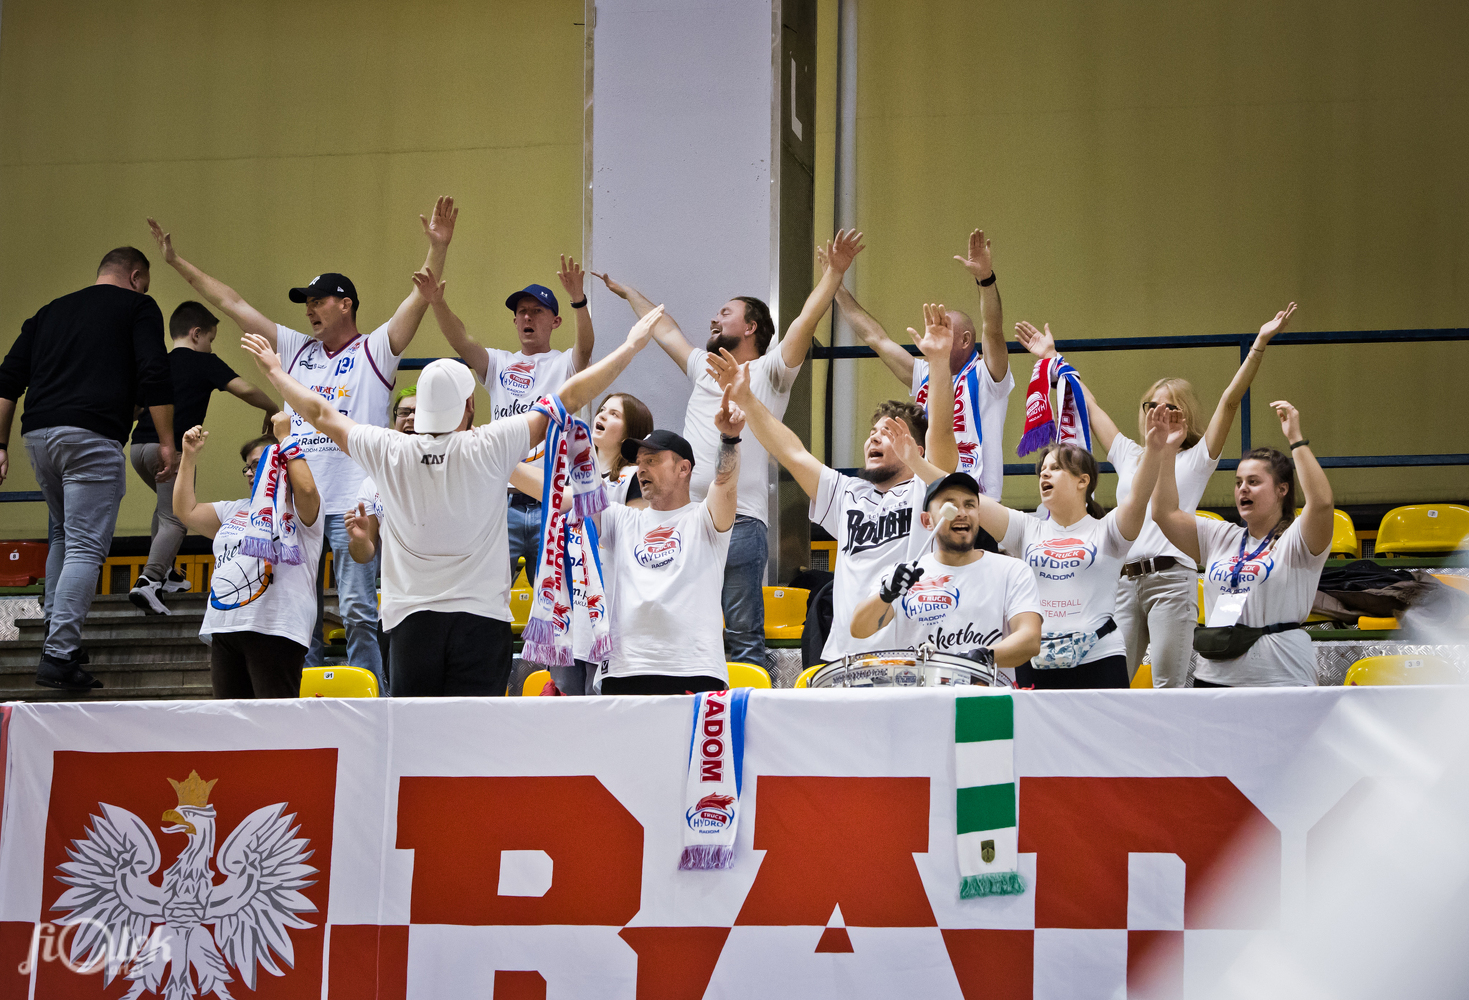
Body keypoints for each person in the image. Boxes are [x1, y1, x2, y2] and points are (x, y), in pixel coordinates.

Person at [240, 285, 667, 698]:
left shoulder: (388, 449)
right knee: (473, 736)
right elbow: (570, 396)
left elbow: (320, 412)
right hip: (482, 620)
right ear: (469, 406)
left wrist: (276, 372)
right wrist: (630, 346)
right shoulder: (491, 444)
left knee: (415, 736)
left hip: (409, 621)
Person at [146, 197, 457, 688]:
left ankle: (371, 701)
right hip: (296, 504)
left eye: (318, 300)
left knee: (357, 610)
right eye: (306, 303)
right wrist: (176, 262)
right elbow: (232, 303)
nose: (309, 309)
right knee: (299, 614)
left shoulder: (375, 349)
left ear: (345, 304)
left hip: (355, 501)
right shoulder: (293, 349)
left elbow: (418, 299)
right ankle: (303, 697)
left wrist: (437, 248)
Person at [593, 229, 866, 674]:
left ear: (751, 327)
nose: (713, 319)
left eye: (725, 313)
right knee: (682, 623)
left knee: (742, 635)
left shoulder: (772, 370)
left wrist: (834, 273)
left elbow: (804, 322)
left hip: (740, 522)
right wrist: (628, 294)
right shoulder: (704, 366)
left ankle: (740, 709)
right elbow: (664, 327)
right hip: (686, 521)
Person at [1014, 302, 1297, 686]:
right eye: (1153, 405)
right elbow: (1088, 405)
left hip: (1171, 579)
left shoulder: (1197, 457)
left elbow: (1230, 401)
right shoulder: (1130, 453)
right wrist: (1052, 357)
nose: (1160, 412)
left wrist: (1259, 344)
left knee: (1168, 687)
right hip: (1124, 580)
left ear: (1185, 414)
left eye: (1170, 406)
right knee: (1112, 684)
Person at [707, 303, 959, 665]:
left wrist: (938, 363)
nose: (874, 438)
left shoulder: (927, 491)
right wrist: (745, 398)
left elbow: (942, 434)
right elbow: (792, 452)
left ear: (917, 450)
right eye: (872, 432)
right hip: (845, 660)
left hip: (911, 661)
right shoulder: (848, 493)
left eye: (889, 432)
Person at [0, 246, 174, 691]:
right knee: (84, 547)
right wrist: (167, 441)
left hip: (38, 437)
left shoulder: (49, 312)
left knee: (62, 533)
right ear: (136, 276)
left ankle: (56, 639)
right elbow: (155, 371)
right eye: (145, 283)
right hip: (90, 436)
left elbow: (7, 381)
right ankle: (59, 654)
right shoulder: (138, 306)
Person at [956, 405, 1173, 689]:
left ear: (1083, 481)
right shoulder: (1025, 529)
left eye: (1055, 468)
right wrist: (915, 461)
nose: (1044, 475)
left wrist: (1154, 450)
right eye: (1042, 471)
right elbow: (963, 494)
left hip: (1100, 657)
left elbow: (1138, 496)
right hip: (1035, 659)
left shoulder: (1108, 531)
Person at [425, 254, 596, 580]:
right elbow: (461, 340)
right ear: (515, 321)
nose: (527, 316)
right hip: (501, 501)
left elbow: (586, 348)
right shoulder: (498, 363)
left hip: (551, 500)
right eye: (521, 312)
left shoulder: (564, 364)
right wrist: (437, 303)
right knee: (488, 593)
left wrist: (578, 299)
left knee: (555, 596)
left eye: (537, 311)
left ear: (555, 321)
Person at [1151, 401, 1333, 687]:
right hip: (1213, 678)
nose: (1243, 489)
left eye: (1254, 481)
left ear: (1282, 489)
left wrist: (1296, 440)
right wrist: (1168, 451)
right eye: (1238, 482)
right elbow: (1163, 513)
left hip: (1280, 678)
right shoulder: (1219, 536)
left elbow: (1321, 503)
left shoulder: (1297, 540)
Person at [834, 228, 1012, 499]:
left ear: (966, 340)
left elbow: (993, 329)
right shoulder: (925, 374)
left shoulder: (987, 374)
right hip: (928, 496)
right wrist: (835, 284)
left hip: (978, 500)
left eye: (944, 328)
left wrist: (985, 280)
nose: (934, 333)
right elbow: (876, 338)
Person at [128, 300, 279, 614]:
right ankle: (149, 580)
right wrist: (272, 408)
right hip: (170, 449)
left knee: (164, 509)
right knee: (176, 518)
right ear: (197, 334)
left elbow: (136, 408)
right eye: (210, 339)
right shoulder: (204, 362)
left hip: (139, 449)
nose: (211, 346)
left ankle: (169, 573)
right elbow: (245, 389)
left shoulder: (158, 363)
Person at [172, 413, 323, 698]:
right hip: (225, 625)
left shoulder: (299, 508)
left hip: (275, 626)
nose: (252, 472)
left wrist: (285, 438)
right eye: (248, 467)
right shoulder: (234, 508)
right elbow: (185, 511)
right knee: (230, 720)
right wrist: (188, 457)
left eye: (260, 463)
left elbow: (305, 487)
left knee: (273, 718)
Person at [593, 414, 741, 694]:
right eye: (639, 462)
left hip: (692, 668)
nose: (641, 469)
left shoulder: (704, 518)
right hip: (625, 669)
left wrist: (730, 439)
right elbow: (571, 498)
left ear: (683, 468)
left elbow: (725, 482)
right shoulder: (620, 519)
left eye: (651, 460)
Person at [851, 472, 1042, 672]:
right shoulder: (902, 576)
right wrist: (886, 594)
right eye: (950, 505)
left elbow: (1030, 640)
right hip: (920, 689)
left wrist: (981, 657)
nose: (962, 512)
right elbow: (859, 629)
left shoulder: (1012, 570)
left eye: (969, 505)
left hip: (986, 691)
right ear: (927, 521)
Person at [592, 392, 654, 507]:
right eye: (602, 410)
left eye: (614, 414)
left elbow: (636, 518)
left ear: (630, 433)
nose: (602, 415)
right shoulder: (571, 466)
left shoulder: (635, 476)